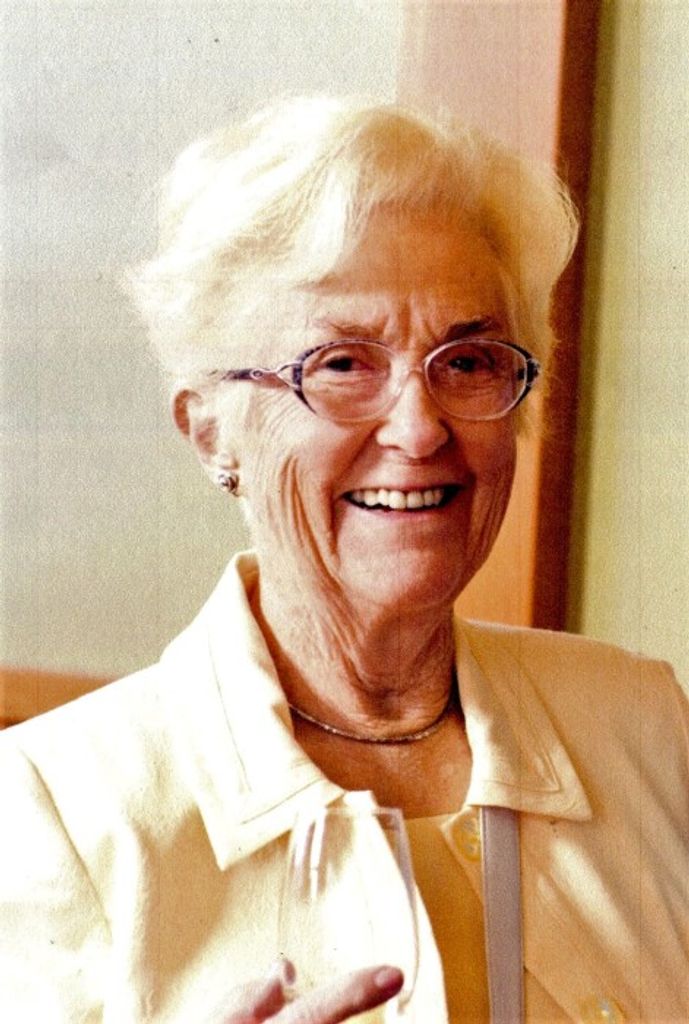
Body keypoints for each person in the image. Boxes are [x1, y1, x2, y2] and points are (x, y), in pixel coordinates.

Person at [1, 97, 687, 1024]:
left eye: (468, 361)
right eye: (340, 365)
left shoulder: (641, 725)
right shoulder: (51, 807)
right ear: (210, 430)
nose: (418, 428)